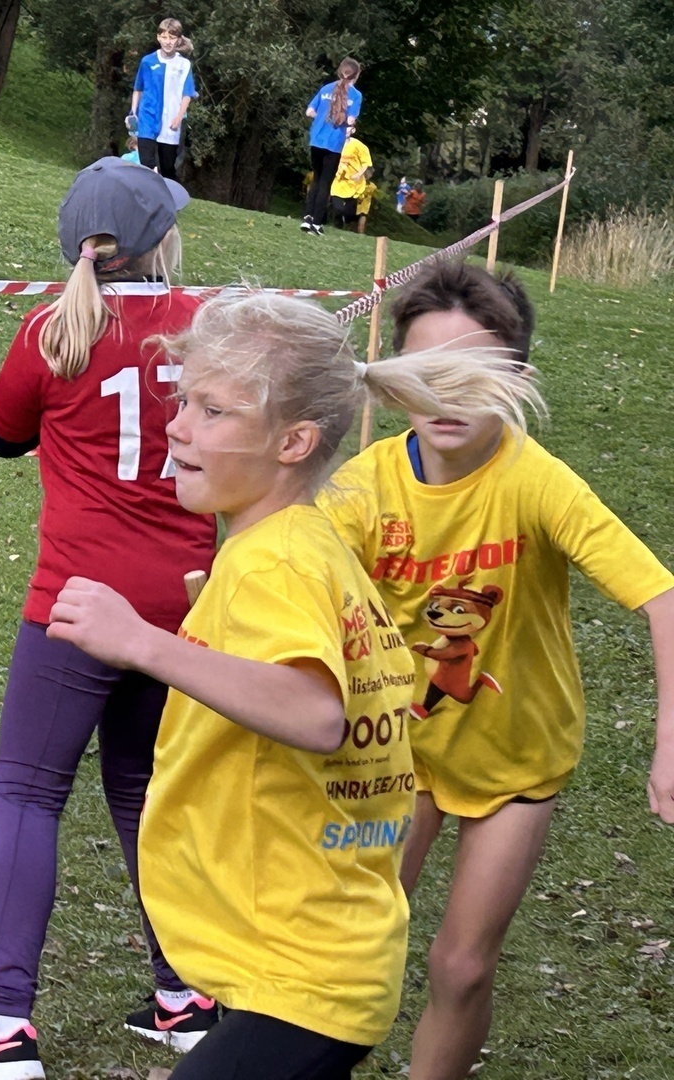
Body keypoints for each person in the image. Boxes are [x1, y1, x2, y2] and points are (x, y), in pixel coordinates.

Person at [40, 292, 546, 1080]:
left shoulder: (275, 561)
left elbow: (315, 713)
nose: (179, 427)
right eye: (184, 401)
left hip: (306, 975)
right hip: (310, 954)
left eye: (214, 410)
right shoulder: (304, 542)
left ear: (294, 442)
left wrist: (141, 643)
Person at [0, 159, 217, 1080]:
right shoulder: (203, 328)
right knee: (143, 791)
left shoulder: (52, 331)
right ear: (156, 242)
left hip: (77, 604)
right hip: (183, 604)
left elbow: (1, 432)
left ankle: (2, 1025)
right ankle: (186, 996)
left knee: (28, 793)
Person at [318, 263, 674, 1080]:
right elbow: (291, 595)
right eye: (428, 370)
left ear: (517, 380)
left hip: (516, 756)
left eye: (473, 372)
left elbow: (662, 599)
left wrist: (669, 742)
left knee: (461, 965)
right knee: (345, 941)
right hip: (397, 753)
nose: (447, 395)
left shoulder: (535, 480)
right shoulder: (361, 489)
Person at [128, 17, 196, 181]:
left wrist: (179, 117)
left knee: (167, 168)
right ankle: (147, 193)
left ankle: (168, 193)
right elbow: (138, 88)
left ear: (178, 39)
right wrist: (133, 112)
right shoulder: (147, 61)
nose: (167, 42)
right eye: (164, 37)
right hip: (147, 118)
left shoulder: (184, 64)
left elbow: (187, 94)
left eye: (172, 38)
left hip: (170, 121)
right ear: (158, 37)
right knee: (146, 164)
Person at [302, 57, 362, 236]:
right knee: (326, 183)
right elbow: (350, 120)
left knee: (317, 178)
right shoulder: (355, 95)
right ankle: (317, 224)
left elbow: (309, 111)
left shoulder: (326, 88)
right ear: (356, 75)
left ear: (340, 71)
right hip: (334, 143)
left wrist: (322, 117)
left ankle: (307, 218)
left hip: (316, 139)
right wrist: (350, 127)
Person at [328, 128, 372, 232]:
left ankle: (346, 220)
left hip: (354, 184)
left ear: (353, 130)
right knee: (337, 207)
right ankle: (338, 223)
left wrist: (359, 174)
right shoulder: (334, 143)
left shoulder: (359, 146)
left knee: (349, 213)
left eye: (348, 127)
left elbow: (366, 163)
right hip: (339, 182)